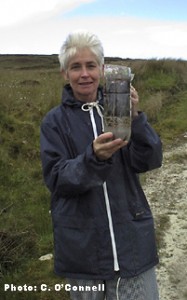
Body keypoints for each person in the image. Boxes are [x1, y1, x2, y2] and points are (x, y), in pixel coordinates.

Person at [40, 31, 162, 300]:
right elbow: (57, 179)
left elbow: (150, 160)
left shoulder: (119, 111)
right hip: (83, 253)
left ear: (102, 70)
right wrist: (94, 158)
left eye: (91, 65)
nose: (84, 74)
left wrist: (136, 117)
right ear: (65, 74)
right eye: (75, 67)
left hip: (132, 245)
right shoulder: (54, 122)